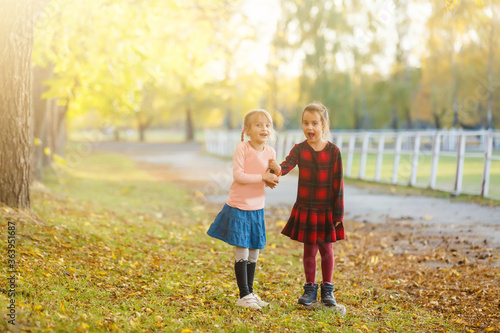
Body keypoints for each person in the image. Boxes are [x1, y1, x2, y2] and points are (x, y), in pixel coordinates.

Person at [270, 102, 345, 308]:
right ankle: (310, 289)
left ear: (323, 126)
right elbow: (286, 165)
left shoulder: (333, 151)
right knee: (309, 250)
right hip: (306, 207)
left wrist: (338, 213)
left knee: (326, 249)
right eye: (305, 123)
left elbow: (338, 185)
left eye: (314, 123)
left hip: (326, 209)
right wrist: (276, 169)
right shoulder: (299, 149)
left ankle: (327, 290)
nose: (309, 128)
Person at [207, 109, 280, 310]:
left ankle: (250, 292)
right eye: (258, 125)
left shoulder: (270, 153)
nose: (264, 128)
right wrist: (263, 177)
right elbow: (239, 175)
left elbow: (268, 178)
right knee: (243, 247)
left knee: (255, 250)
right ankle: (243, 294)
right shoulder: (243, 148)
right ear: (247, 130)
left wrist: (274, 175)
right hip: (239, 205)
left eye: (267, 125)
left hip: (257, 208)